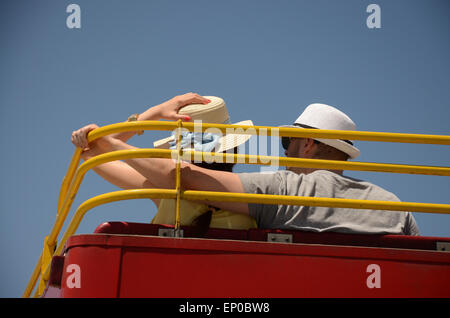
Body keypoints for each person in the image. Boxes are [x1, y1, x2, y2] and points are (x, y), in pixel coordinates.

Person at [72, 93, 419, 236]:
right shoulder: (394, 205)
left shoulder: (277, 192)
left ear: (310, 145)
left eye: (288, 144)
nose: (282, 156)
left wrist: (144, 120)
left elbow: (94, 151)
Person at [72, 93, 257, 232]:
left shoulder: (165, 190)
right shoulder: (256, 195)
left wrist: (155, 112)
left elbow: (92, 153)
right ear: (234, 149)